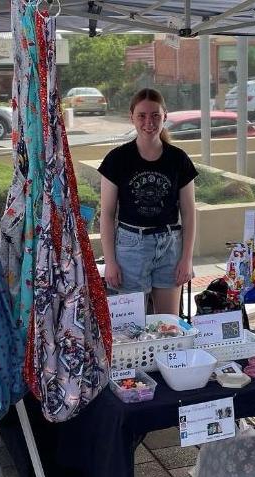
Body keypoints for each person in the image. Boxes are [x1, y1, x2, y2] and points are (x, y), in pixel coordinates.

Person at [99, 88, 198, 315]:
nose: (148, 122)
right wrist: (111, 262)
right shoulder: (117, 159)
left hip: (170, 246)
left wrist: (187, 258)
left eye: (155, 115)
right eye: (142, 115)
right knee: (132, 327)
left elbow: (189, 213)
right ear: (131, 116)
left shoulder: (178, 159)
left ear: (165, 116)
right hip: (130, 247)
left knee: (168, 326)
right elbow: (106, 214)